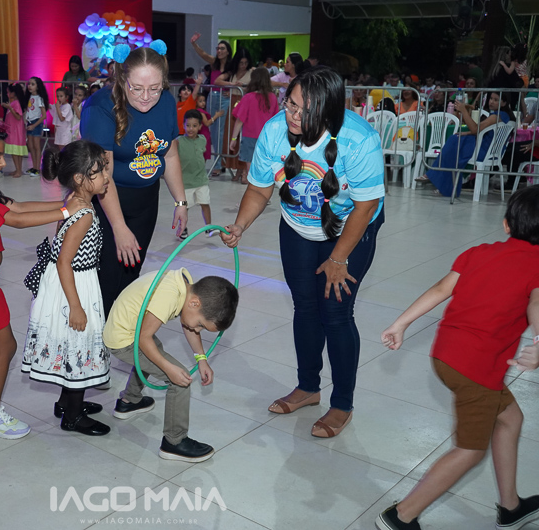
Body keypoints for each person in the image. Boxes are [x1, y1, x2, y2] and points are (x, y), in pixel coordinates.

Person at [221, 66, 386, 438]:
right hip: (297, 226)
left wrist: (338, 258)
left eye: (304, 110)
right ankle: (308, 387)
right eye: (290, 104)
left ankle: (342, 403)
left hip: (351, 228)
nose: (292, 115)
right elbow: (259, 188)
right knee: (306, 307)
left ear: (328, 111)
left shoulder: (359, 139)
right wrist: (240, 225)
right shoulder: (274, 131)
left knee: (336, 313)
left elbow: (365, 207)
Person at [375, 186, 539, 530]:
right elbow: (537, 304)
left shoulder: (479, 252)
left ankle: (511, 506)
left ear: (507, 224)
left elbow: (440, 289)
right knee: (470, 450)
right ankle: (400, 516)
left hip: (445, 355)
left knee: (510, 418)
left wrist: (400, 323)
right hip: (477, 370)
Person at [0, 121, 87, 440]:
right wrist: (65, 214)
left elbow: (18, 206)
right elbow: (17, 219)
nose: (2, 163)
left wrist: (64, 204)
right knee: (6, 346)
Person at [80, 44, 188, 316]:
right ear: (122, 78)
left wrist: (181, 201)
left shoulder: (166, 102)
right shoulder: (101, 107)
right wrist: (118, 226)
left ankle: (123, 331)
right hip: (106, 204)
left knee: (131, 274)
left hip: (145, 203)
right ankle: (100, 337)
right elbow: (102, 175)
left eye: (155, 88)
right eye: (137, 88)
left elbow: (170, 154)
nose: (146, 97)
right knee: (106, 278)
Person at [22, 141, 111, 436]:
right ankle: (72, 416)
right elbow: (64, 262)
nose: (107, 177)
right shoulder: (84, 214)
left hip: (70, 281)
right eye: (99, 172)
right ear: (80, 178)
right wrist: (76, 306)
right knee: (79, 344)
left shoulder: (73, 199)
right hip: (74, 283)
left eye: (105, 169)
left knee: (73, 342)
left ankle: (65, 403)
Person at [105, 268, 238, 462]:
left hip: (129, 329)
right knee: (180, 380)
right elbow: (143, 338)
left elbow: (188, 326)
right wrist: (169, 369)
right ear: (195, 303)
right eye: (201, 324)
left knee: (155, 352)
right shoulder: (168, 295)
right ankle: (174, 442)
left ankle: (129, 401)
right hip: (125, 339)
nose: (197, 329)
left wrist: (201, 359)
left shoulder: (184, 285)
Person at [419, 91, 514, 197]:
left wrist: (464, 111)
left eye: (496, 100)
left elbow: (475, 129)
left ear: (504, 103)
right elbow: (479, 130)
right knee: (456, 140)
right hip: (488, 149)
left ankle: (435, 175)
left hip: (483, 151)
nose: (491, 102)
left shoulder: (496, 116)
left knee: (454, 142)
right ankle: (440, 180)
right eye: (491, 98)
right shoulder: (503, 116)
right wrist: (466, 132)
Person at [229, 67, 279, 184]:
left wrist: (233, 139)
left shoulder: (248, 97)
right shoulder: (272, 97)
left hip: (249, 137)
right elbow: (275, 120)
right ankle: (263, 191)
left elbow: (239, 120)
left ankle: (253, 192)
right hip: (267, 138)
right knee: (265, 168)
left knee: (251, 169)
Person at [190, 33, 233, 162]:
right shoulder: (214, 62)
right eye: (218, 48)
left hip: (224, 98)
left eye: (222, 48)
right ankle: (218, 161)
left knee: (221, 129)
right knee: (212, 128)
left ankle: (221, 162)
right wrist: (194, 43)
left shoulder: (232, 66)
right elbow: (203, 54)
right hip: (213, 96)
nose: (219, 51)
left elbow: (238, 80)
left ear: (228, 51)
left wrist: (231, 92)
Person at [214, 47, 255, 174]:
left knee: (244, 136)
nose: (243, 65)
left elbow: (258, 85)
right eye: (241, 63)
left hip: (247, 104)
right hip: (234, 104)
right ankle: (236, 169)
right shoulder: (231, 72)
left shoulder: (252, 71)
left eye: (246, 63)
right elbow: (217, 81)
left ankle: (244, 171)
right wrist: (232, 85)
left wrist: (244, 88)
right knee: (232, 134)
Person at [177, 110, 212, 239]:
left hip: (201, 180)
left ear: (200, 126)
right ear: (183, 125)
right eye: (188, 125)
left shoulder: (202, 139)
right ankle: (182, 228)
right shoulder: (179, 141)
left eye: (194, 126)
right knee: (183, 206)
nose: (191, 128)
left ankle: (208, 227)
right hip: (185, 182)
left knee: (205, 203)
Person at [25, 77, 49, 176]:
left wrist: (34, 125)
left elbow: (44, 115)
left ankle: (37, 168)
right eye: (29, 84)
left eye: (33, 84)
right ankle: (34, 166)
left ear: (38, 87)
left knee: (36, 146)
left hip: (36, 123)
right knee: (30, 146)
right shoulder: (29, 97)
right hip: (30, 122)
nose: (30, 86)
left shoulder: (39, 99)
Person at [4, 83, 28, 177]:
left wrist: (10, 108)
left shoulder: (16, 103)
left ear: (13, 93)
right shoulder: (14, 103)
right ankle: (17, 169)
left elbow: (18, 117)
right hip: (13, 129)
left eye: (8, 92)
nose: (7, 94)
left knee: (15, 151)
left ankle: (18, 170)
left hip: (15, 130)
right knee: (16, 151)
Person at [195, 92, 224, 164]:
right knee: (203, 154)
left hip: (203, 133)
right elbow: (207, 123)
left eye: (204, 101)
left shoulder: (199, 111)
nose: (203, 103)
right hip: (204, 134)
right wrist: (216, 116)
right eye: (200, 101)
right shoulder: (201, 112)